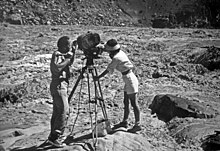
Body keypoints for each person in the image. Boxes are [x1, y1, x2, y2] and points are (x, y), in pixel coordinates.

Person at [94, 39, 141, 133]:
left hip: (130, 79)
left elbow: (108, 69)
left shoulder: (116, 58)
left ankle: (137, 124)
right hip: (127, 78)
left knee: (133, 103)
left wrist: (98, 77)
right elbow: (108, 50)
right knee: (126, 102)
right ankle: (125, 121)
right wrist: (102, 49)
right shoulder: (119, 53)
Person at [48, 36, 76, 147]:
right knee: (63, 111)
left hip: (61, 85)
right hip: (59, 85)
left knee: (57, 112)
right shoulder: (57, 54)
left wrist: (73, 52)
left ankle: (53, 136)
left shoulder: (63, 55)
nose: (69, 47)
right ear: (63, 45)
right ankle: (56, 138)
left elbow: (69, 63)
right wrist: (68, 59)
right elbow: (56, 68)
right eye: (68, 45)